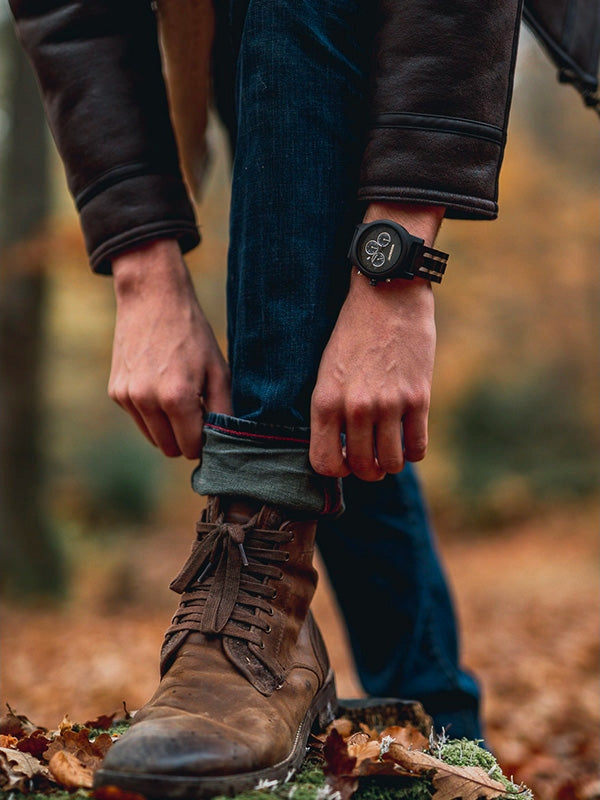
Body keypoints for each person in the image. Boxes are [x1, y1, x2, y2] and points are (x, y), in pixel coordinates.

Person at [12, 0, 595, 797]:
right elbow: (70, 11)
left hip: (432, 29)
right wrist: (141, 265)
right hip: (236, 28)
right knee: (322, 392)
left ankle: (253, 589)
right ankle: (439, 719)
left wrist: (395, 266)